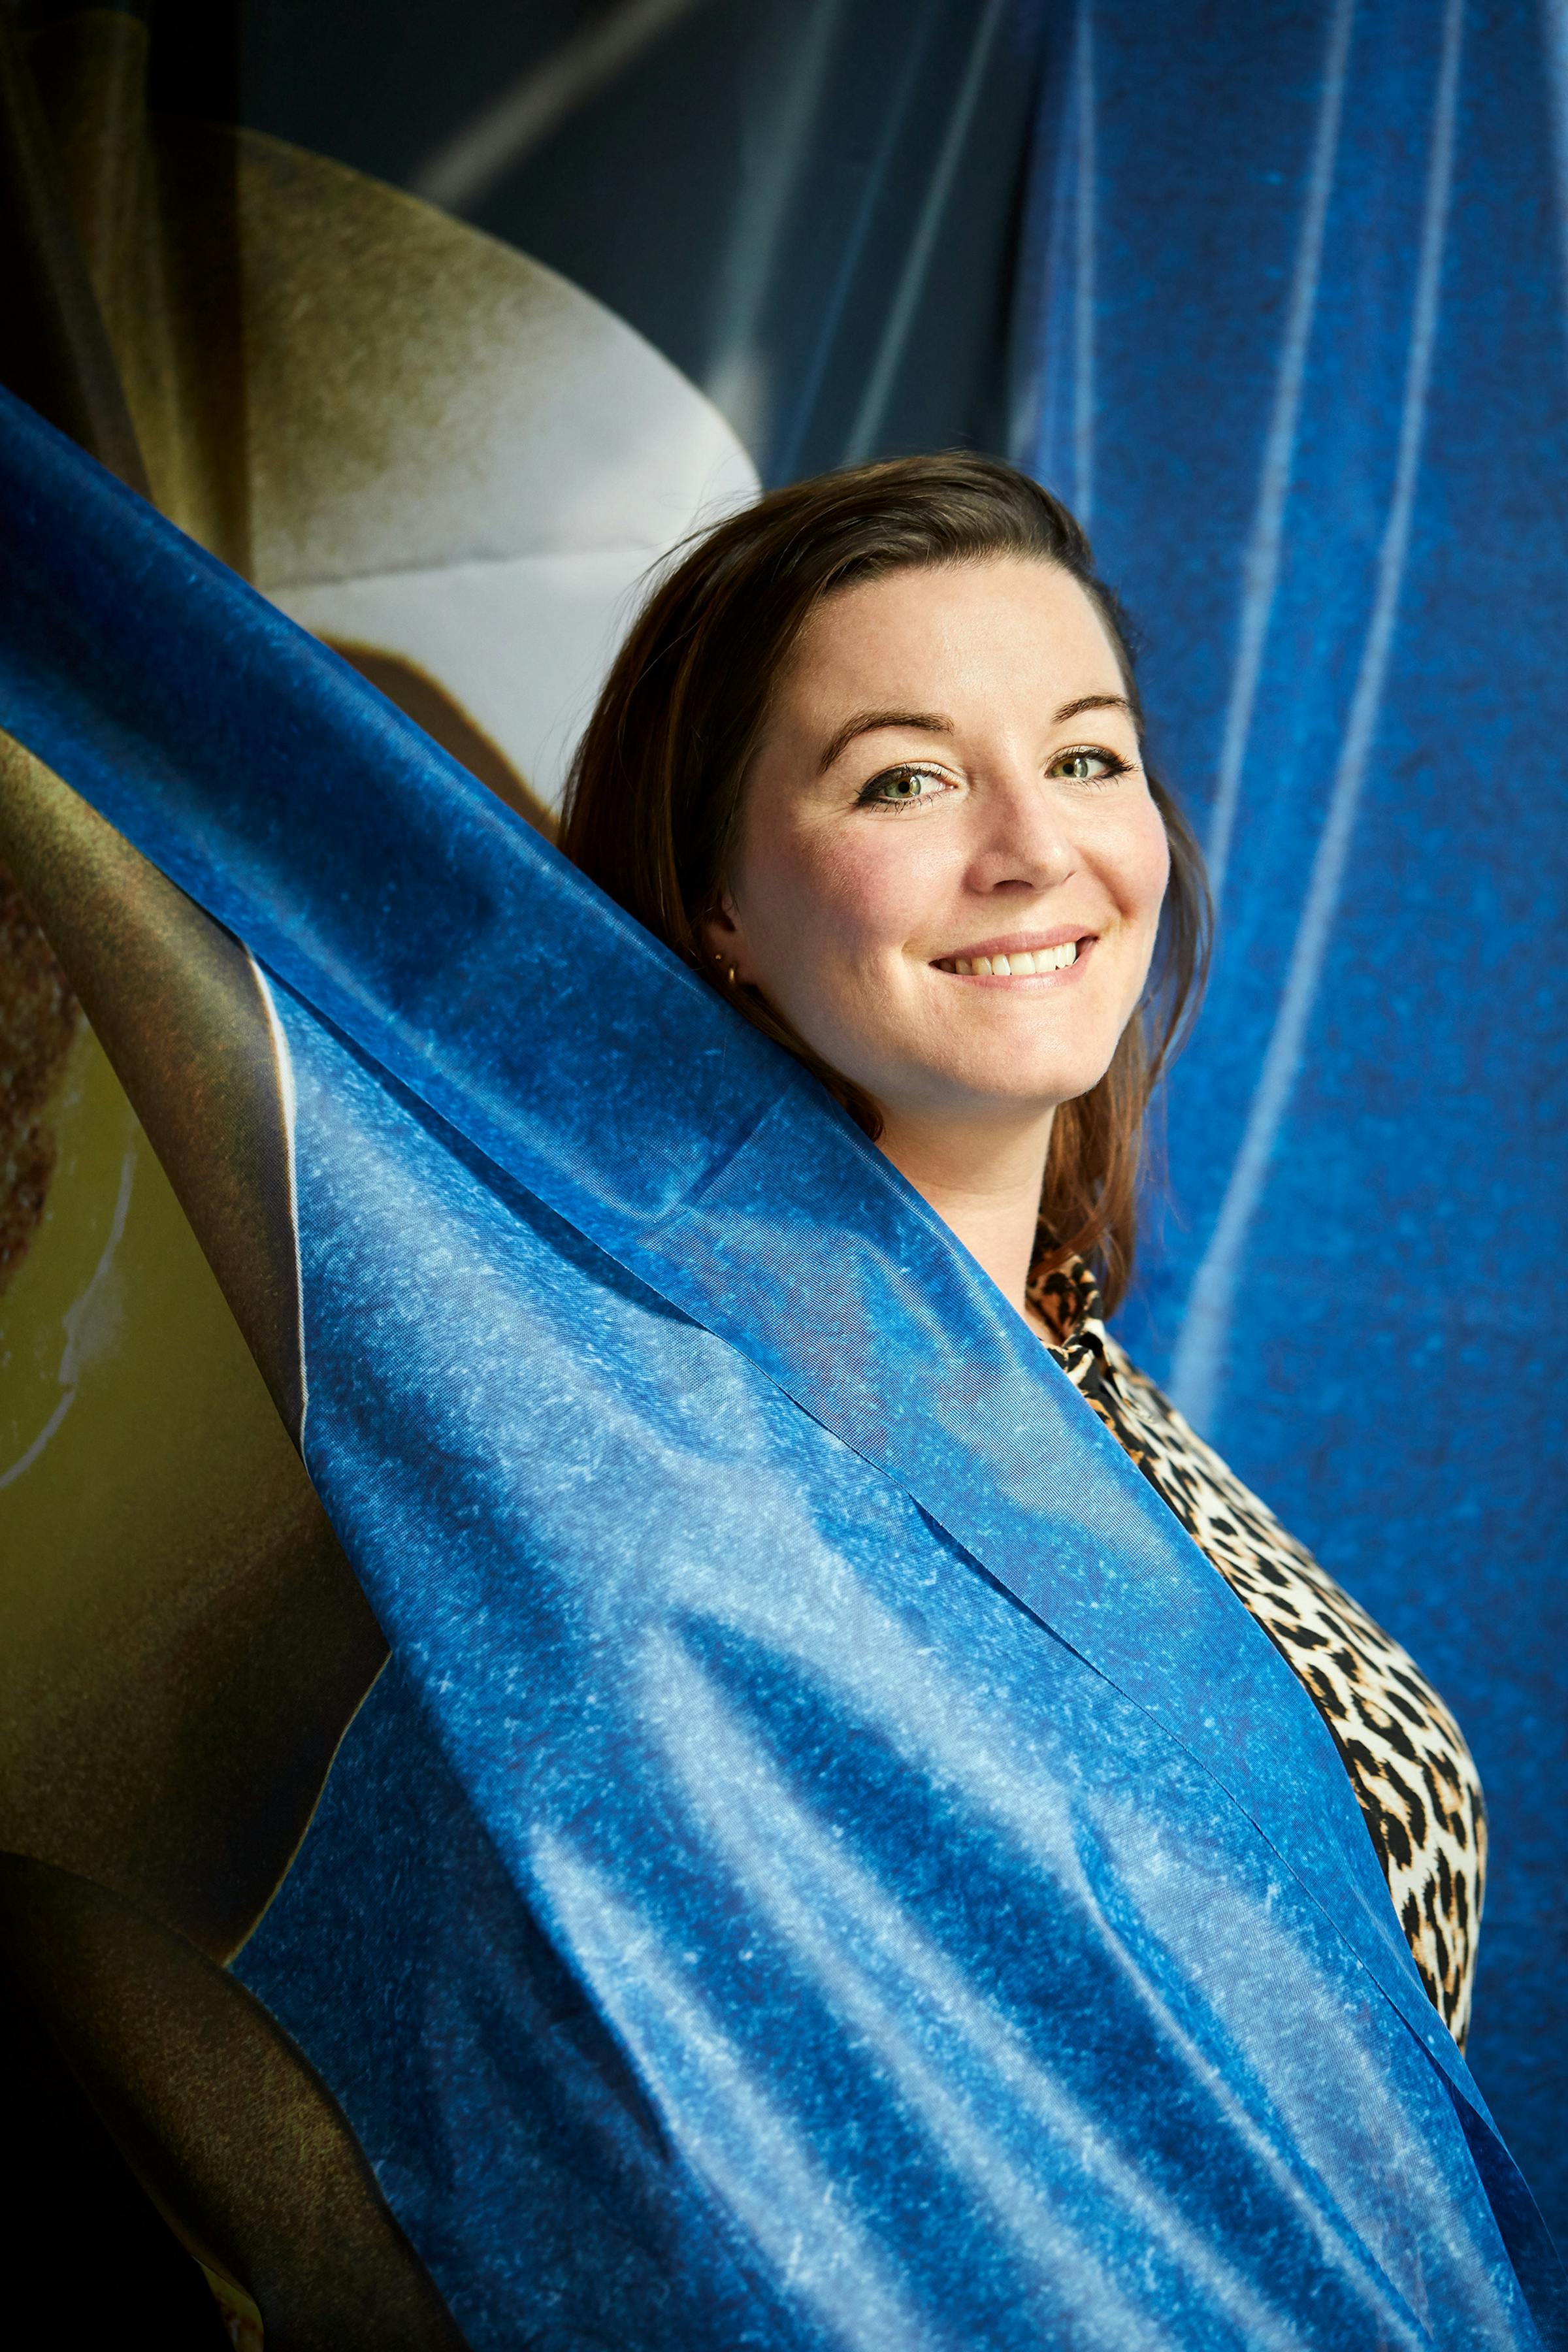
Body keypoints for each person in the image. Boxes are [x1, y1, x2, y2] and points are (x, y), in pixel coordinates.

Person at [562, 451, 1486, 2048]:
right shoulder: (714, 1464)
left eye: (1085, 757)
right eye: (902, 781)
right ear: (718, 900)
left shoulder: (1062, 1353)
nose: (1035, 850)